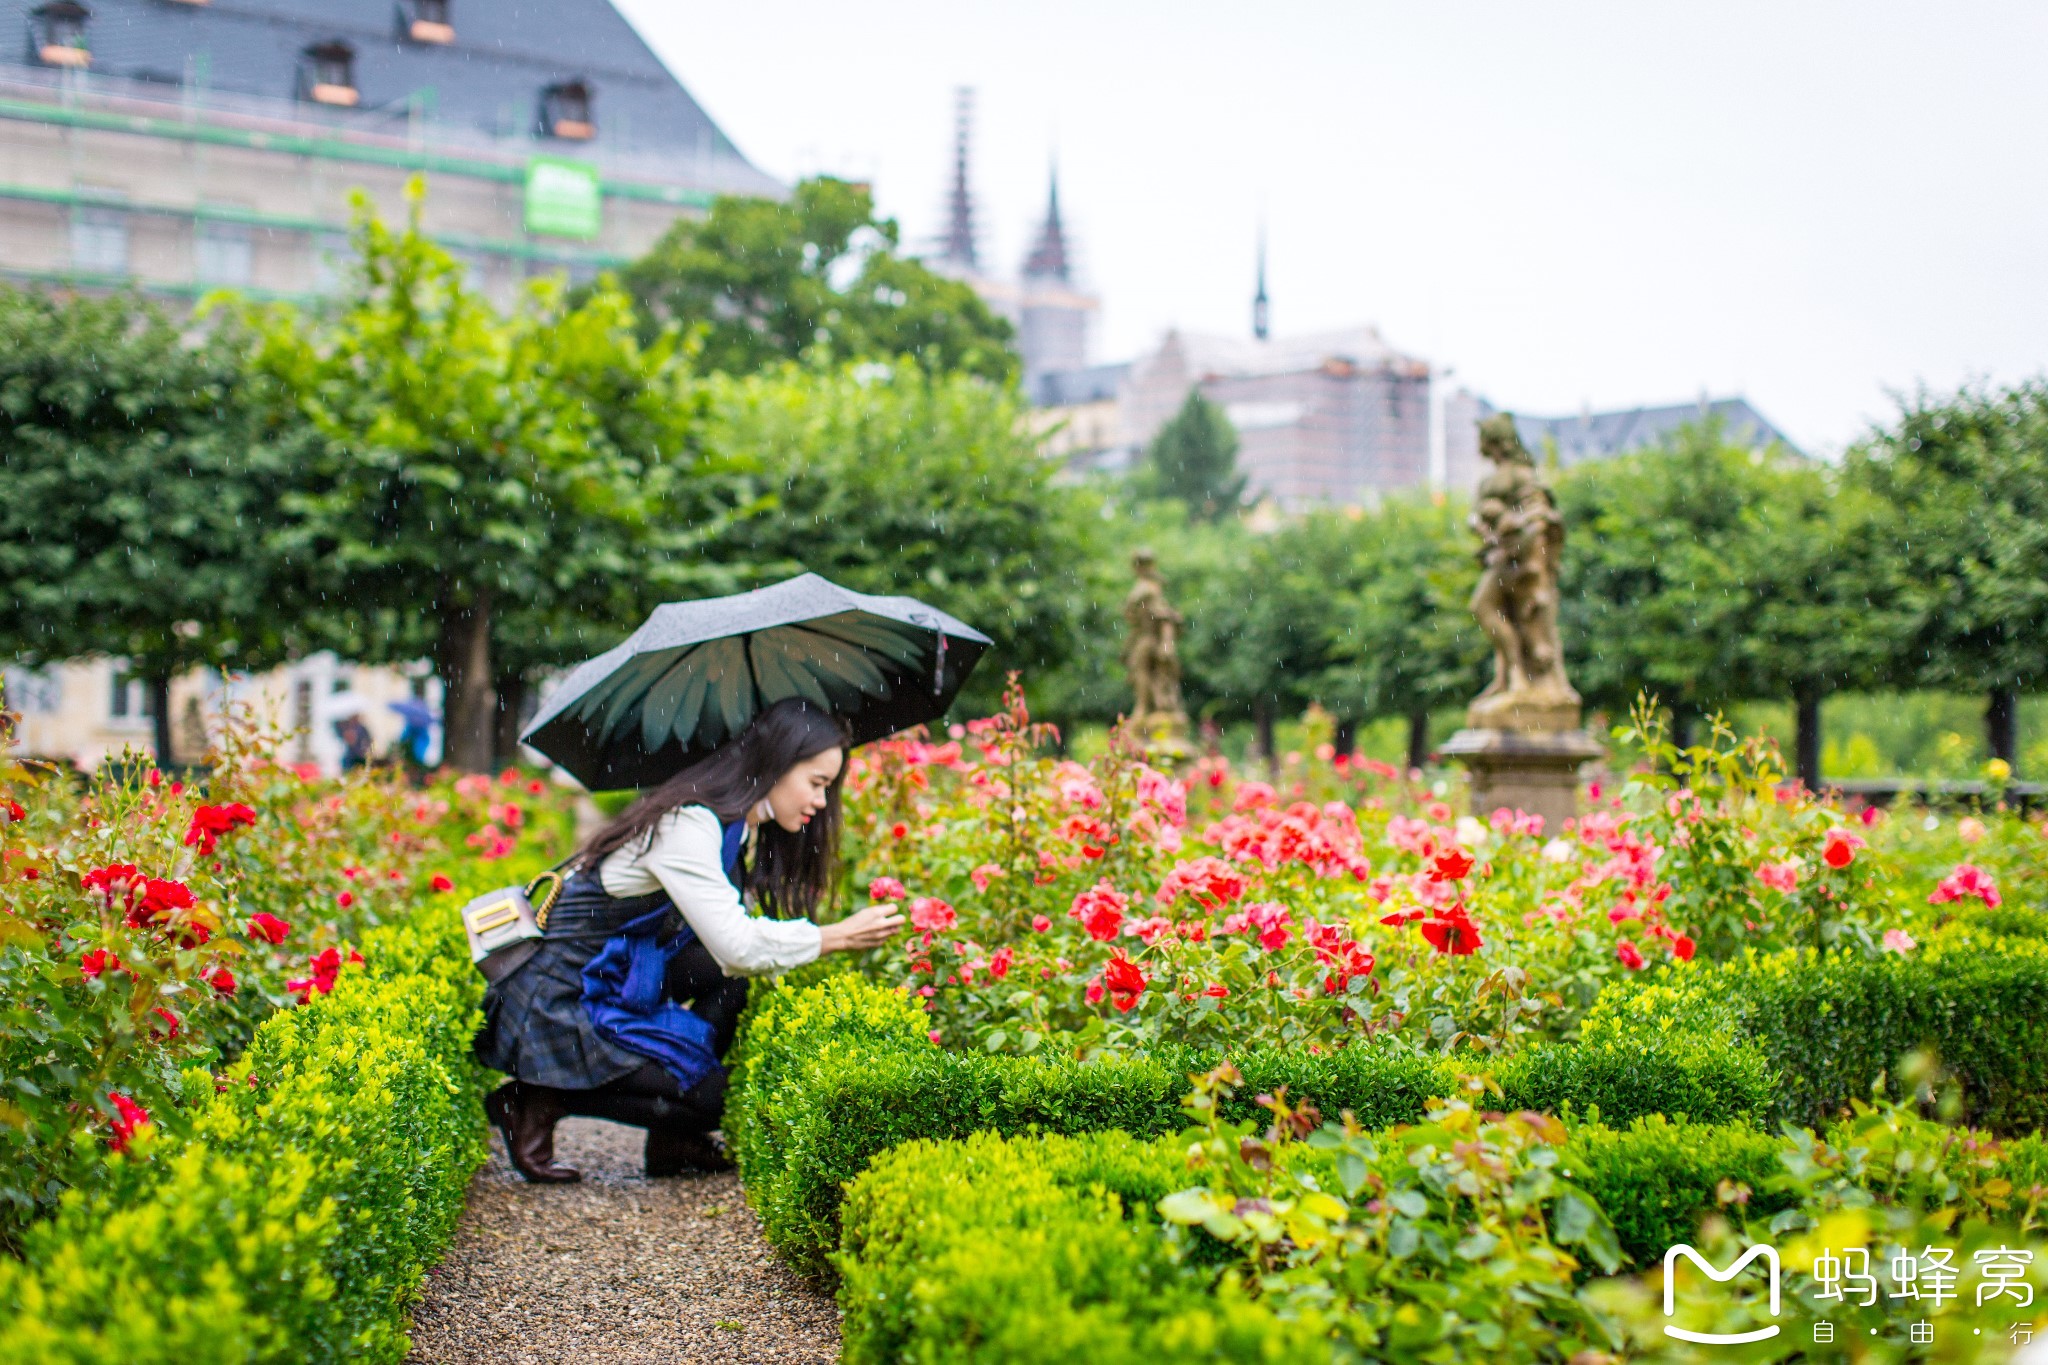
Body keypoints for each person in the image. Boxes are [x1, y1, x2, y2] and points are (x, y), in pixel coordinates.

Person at [472, 698, 904, 1182]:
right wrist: (836, 937)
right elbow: (737, 945)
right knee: (717, 1104)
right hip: (562, 997)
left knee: (731, 982)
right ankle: (535, 1098)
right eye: (817, 784)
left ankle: (672, 1142)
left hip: (614, 975)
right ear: (776, 766)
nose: (822, 802)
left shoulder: (731, 826)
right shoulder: (689, 825)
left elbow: (730, 956)